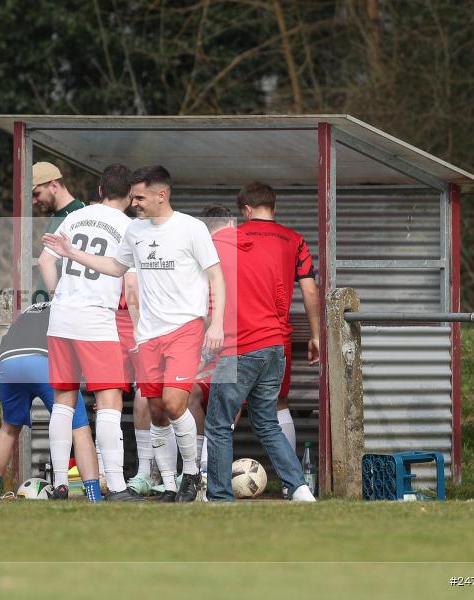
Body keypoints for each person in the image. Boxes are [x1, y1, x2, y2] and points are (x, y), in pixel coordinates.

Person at [44, 165, 225, 502]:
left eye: (141, 197)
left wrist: (216, 323)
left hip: (172, 327)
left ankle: (188, 472)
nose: (136, 202)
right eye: (133, 197)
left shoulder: (189, 228)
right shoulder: (132, 228)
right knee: (134, 405)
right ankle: (146, 484)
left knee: (167, 402)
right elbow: (120, 273)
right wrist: (73, 254)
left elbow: (216, 275)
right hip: (123, 329)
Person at [203, 200, 316, 502]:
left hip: (236, 348)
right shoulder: (258, 250)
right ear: (232, 224)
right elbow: (281, 299)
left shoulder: (210, 252)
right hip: (272, 346)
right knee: (267, 424)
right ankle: (301, 489)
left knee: (218, 424)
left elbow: (207, 303)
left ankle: (219, 496)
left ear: (209, 231)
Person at [39, 163, 139, 501]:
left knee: (64, 401)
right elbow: (132, 286)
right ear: (129, 195)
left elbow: (44, 262)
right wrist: (139, 330)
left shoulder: (76, 216)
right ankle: (118, 487)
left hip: (61, 317)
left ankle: (60, 485)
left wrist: (59, 295)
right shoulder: (130, 227)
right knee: (109, 401)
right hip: (96, 319)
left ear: (99, 191)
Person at [0, 302, 96, 500]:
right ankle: (94, 495)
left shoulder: (29, 310)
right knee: (79, 429)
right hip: (43, 359)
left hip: (9, 362)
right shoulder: (72, 307)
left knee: (8, 429)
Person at [238, 182, 321, 458]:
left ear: (247, 210)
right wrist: (316, 335)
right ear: (273, 207)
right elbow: (310, 289)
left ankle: (206, 479)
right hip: (277, 338)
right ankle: (291, 484)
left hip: (235, 338)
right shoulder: (294, 240)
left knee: (226, 406)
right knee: (279, 403)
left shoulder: (231, 237)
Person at [32, 161, 85, 303]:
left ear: (54, 186)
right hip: (46, 306)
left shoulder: (79, 214)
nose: (34, 201)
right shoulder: (56, 215)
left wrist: (57, 303)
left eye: (36, 194)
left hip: (60, 309)